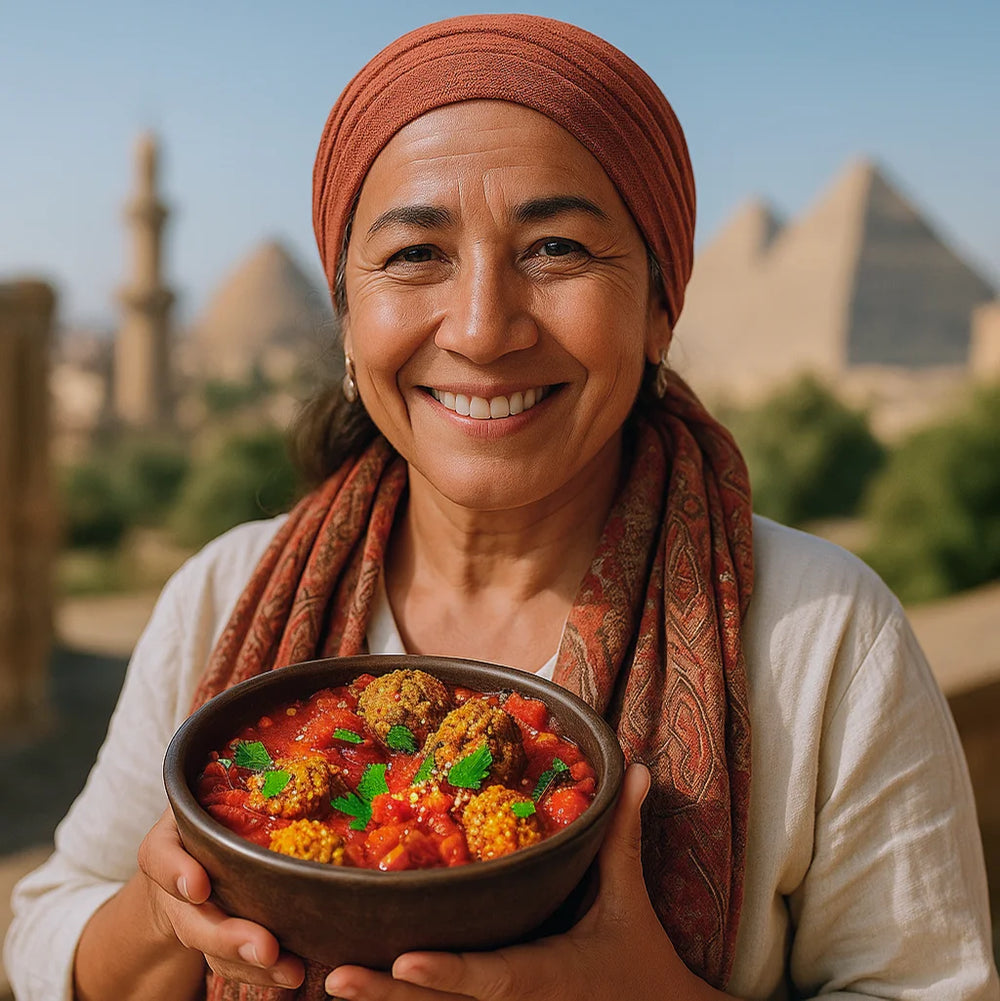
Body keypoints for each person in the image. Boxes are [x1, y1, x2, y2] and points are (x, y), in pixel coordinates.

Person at [5, 14, 998, 1001]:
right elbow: (48, 929)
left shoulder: (820, 637)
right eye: (413, 255)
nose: (481, 328)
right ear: (346, 319)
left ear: (662, 305)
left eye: (557, 247)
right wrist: (168, 902)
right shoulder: (224, 592)